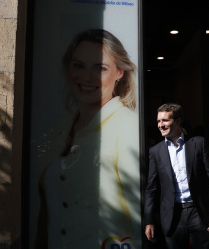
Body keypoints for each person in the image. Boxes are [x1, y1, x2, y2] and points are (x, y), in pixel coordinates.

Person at [34, 29, 140, 248]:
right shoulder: (60, 128)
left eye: (100, 68)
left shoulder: (128, 125)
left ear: (120, 72)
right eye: (78, 65)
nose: (87, 77)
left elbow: (139, 209)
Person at [144, 103, 209, 249]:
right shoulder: (156, 151)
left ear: (178, 121)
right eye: (158, 121)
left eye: (165, 121)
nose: (160, 125)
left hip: (198, 212)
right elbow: (151, 188)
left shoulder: (198, 143)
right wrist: (149, 220)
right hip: (173, 216)